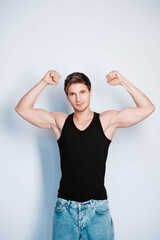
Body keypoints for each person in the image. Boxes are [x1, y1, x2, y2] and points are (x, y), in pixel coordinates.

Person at [15, 70, 156, 240]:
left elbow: (147, 108)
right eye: (72, 94)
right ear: (67, 97)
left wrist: (123, 81)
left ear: (90, 92)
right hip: (65, 209)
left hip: (97, 210)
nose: (78, 99)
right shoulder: (60, 122)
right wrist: (43, 82)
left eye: (82, 92)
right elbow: (22, 109)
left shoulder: (106, 121)